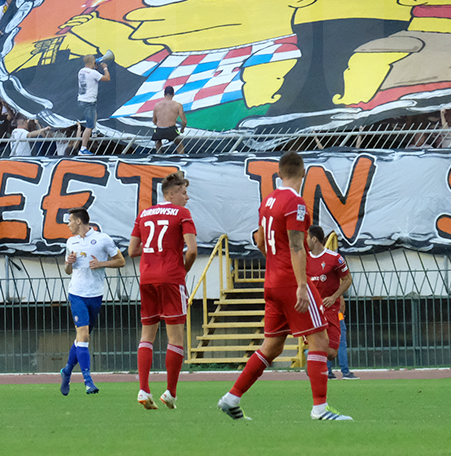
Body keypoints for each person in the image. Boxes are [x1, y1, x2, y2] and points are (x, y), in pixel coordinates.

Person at [219, 151, 352, 422]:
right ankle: (320, 409)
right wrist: (302, 284)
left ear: (279, 173)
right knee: (320, 341)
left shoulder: (267, 201)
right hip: (291, 283)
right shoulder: (296, 203)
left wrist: (277, 266)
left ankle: (232, 397)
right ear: (303, 173)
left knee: (272, 346)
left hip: (271, 282)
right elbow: (295, 245)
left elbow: (259, 242)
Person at [132, 172, 197, 411]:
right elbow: (192, 250)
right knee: (175, 338)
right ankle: (170, 392)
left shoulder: (144, 213)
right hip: (171, 277)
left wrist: (153, 251)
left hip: (147, 277)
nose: (187, 197)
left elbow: (132, 250)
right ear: (171, 194)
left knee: (146, 335)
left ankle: (143, 388)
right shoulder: (182, 214)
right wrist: (182, 270)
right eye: (183, 192)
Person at [60, 209, 125, 396]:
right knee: (83, 334)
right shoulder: (70, 242)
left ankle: (66, 371)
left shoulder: (102, 239)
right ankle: (88, 381)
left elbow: (120, 261)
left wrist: (101, 264)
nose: (68, 224)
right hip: (76, 293)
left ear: (79, 221)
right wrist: (69, 263)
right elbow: (67, 271)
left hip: (95, 295)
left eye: (70, 221)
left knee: (82, 338)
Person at [304, 224, 353, 380]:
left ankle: (311, 355)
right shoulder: (303, 259)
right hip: (312, 310)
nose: (305, 241)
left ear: (314, 239)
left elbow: (347, 280)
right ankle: (313, 359)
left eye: (307, 237)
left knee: (332, 353)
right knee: (318, 343)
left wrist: (334, 297)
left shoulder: (334, 258)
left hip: (331, 308)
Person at [75, 52, 111, 155]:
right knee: (89, 125)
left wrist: (94, 66)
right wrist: (105, 68)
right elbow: (107, 78)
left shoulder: (81, 71)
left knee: (94, 113)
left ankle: (94, 131)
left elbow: (90, 75)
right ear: (92, 62)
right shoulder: (93, 73)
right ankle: (83, 148)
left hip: (82, 99)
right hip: (88, 101)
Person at [150, 84, 186, 154]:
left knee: (158, 141)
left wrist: (160, 125)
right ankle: (182, 157)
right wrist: (182, 129)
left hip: (160, 129)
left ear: (164, 95)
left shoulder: (157, 105)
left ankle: (159, 155)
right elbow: (184, 121)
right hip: (171, 129)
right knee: (179, 143)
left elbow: (154, 120)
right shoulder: (177, 105)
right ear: (173, 95)